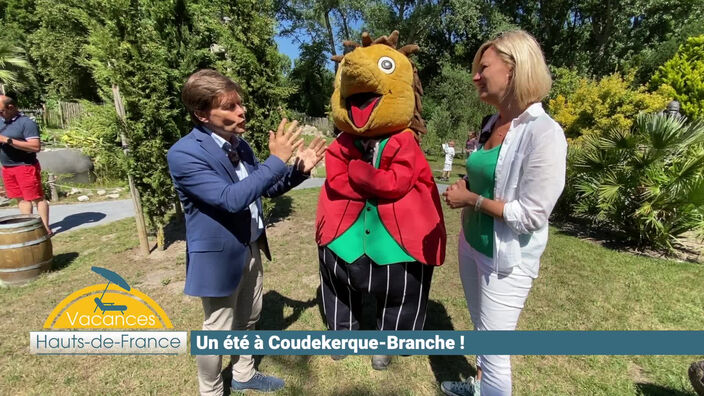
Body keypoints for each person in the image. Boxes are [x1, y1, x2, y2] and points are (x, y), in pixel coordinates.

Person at [167, 69, 326, 396]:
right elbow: (231, 199)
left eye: (240, 103)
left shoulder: (240, 145)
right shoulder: (184, 153)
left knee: (249, 318)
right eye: (229, 106)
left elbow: (264, 187)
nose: (241, 111)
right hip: (218, 257)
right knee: (217, 332)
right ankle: (210, 391)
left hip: (251, 246)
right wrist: (277, 159)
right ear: (202, 114)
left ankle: (243, 374)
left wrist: (297, 170)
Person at [440, 30, 567, 396]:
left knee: (495, 353)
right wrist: (465, 185)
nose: (475, 76)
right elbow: (488, 174)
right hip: (472, 246)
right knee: (481, 330)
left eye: (484, 68)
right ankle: (479, 387)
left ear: (513, 69)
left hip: (505, 260)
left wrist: (472, 201)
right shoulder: (490, 124)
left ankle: (489, 386)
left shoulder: (544, 133)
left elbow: (531, 215)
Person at [0, 93, 51, 235]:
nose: (0, 114)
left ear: (11, 107)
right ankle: (28, 229)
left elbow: (35, 147)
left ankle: (44, 229)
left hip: (25, 166)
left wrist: (8, 140)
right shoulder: (1, 121)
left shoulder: (27, 123)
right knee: (21, 199)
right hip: (7, 167)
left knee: (36, 198)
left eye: (1, 111)